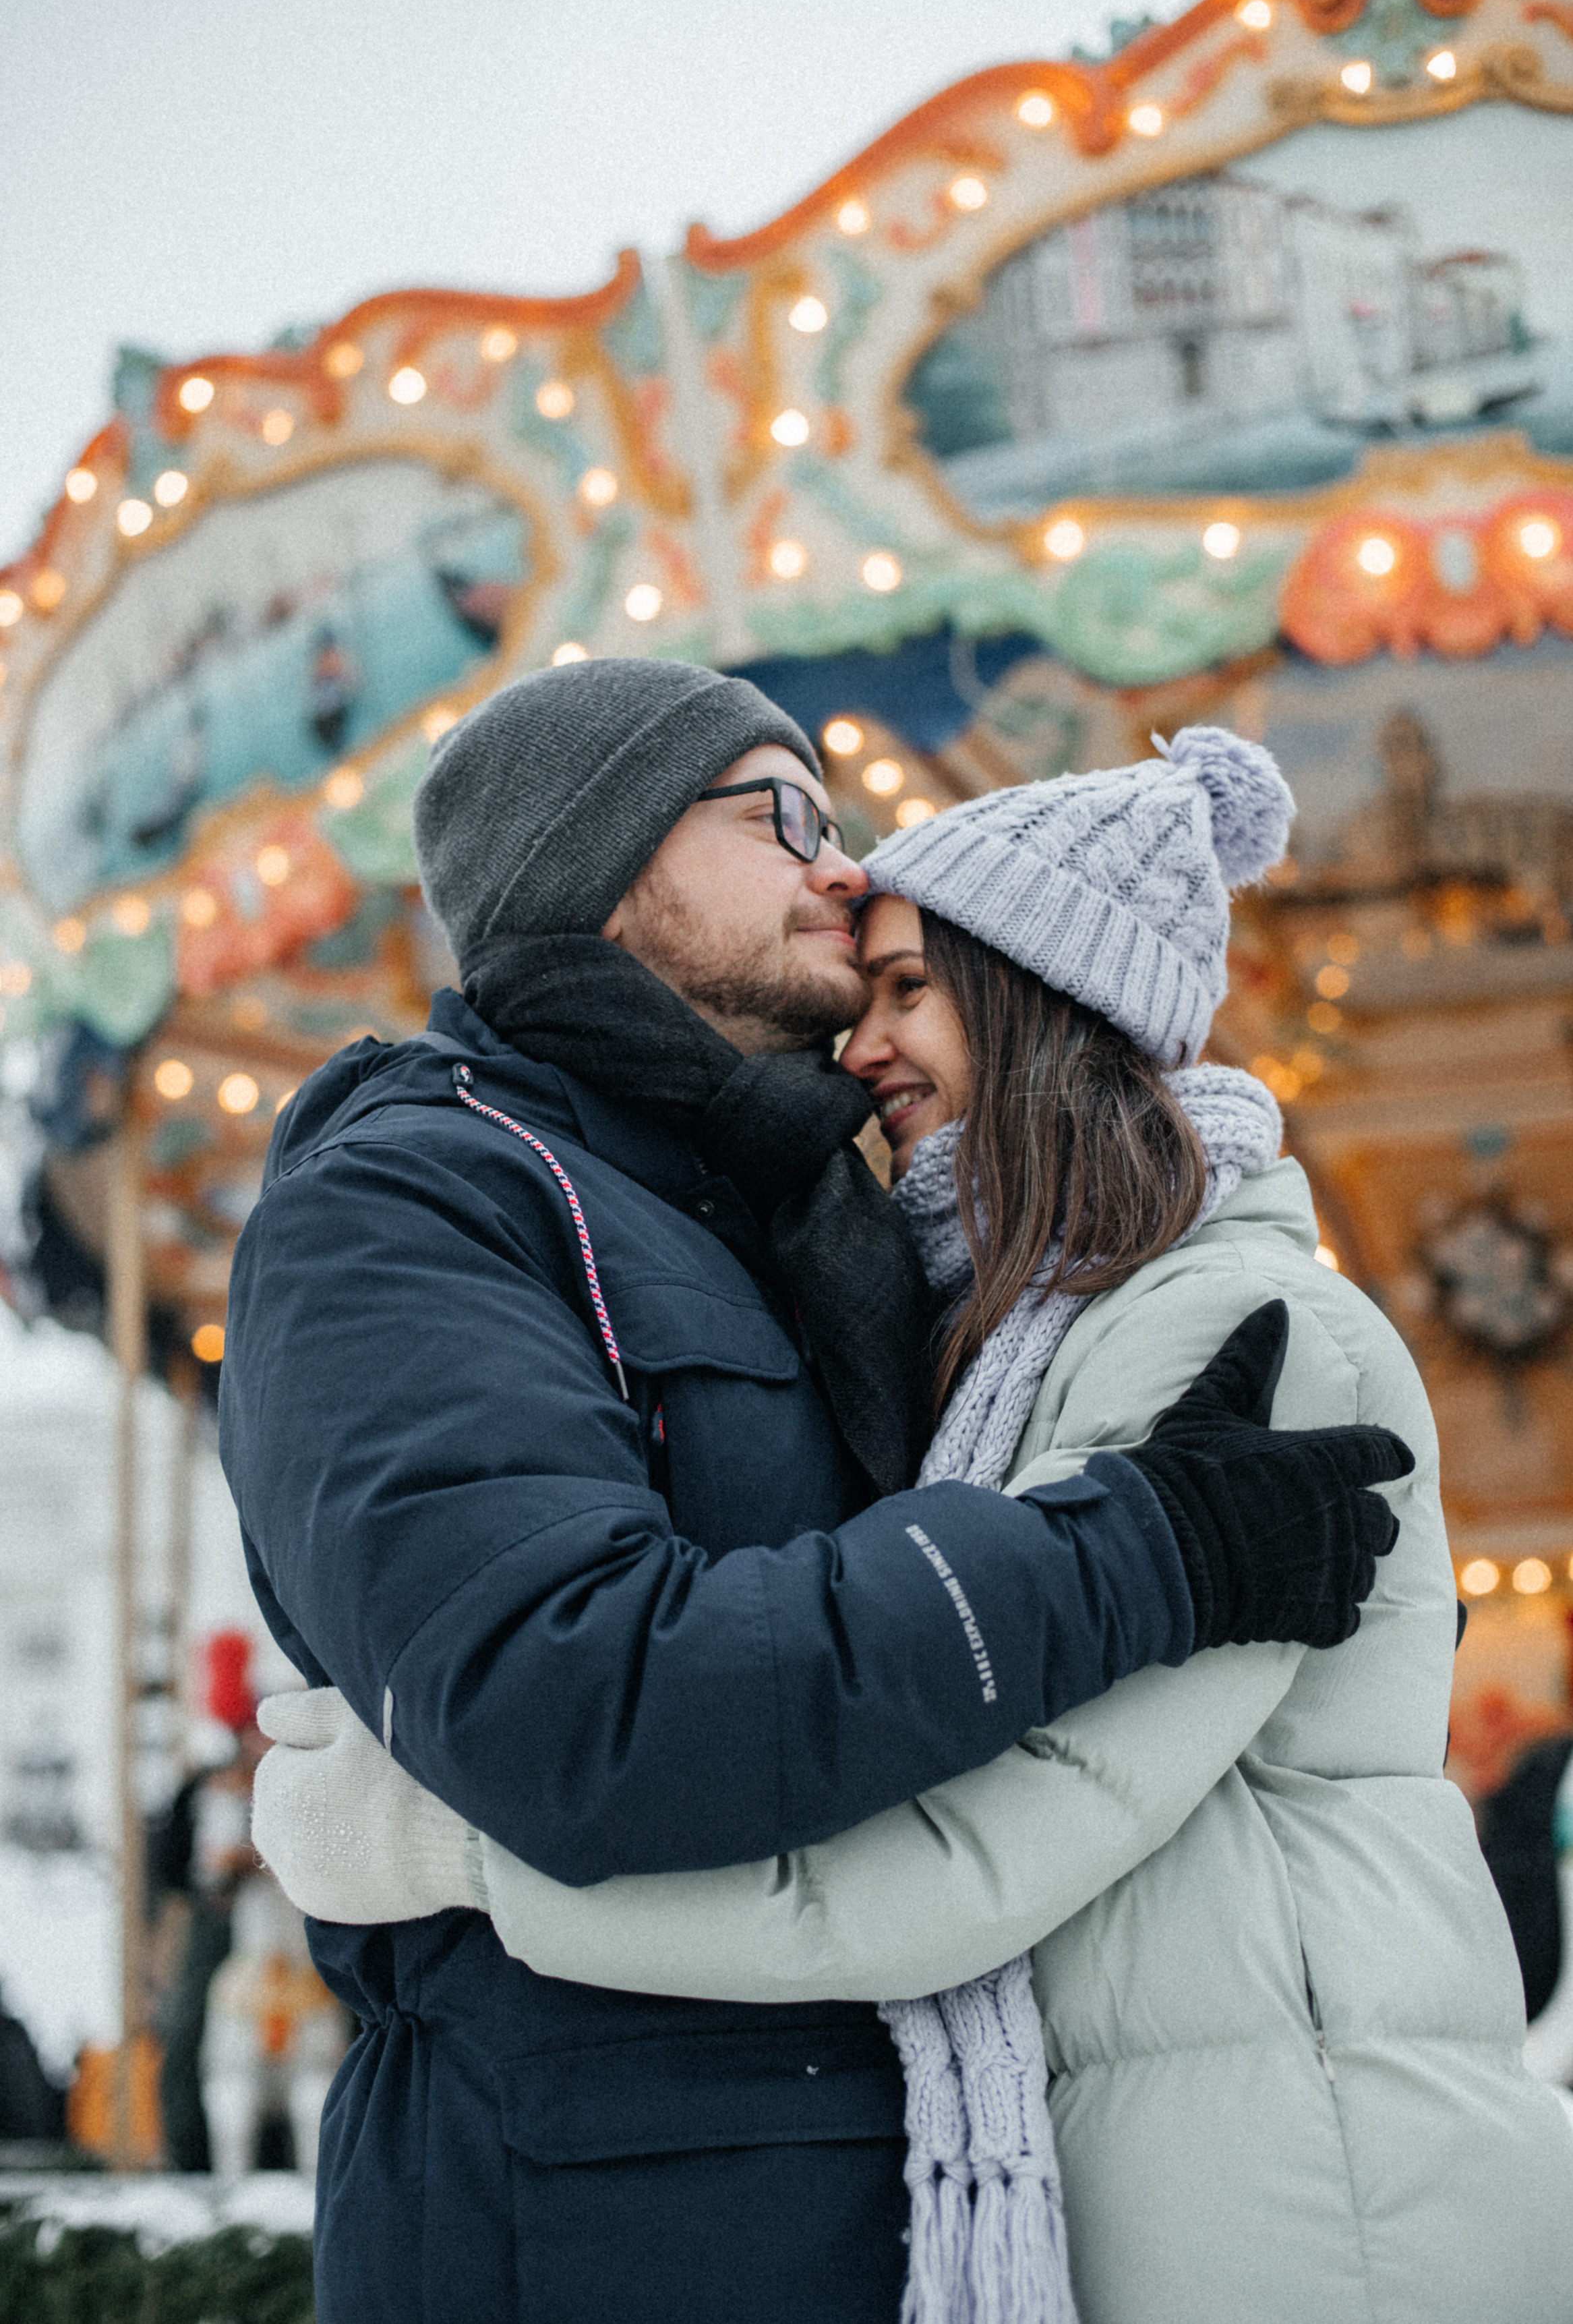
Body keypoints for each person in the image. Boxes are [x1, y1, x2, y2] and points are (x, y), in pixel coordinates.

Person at [225, 662, 1406, 2324]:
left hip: (882, 2198)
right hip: (596, 2222)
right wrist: (1134, 1552)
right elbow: (582, 1697)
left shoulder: (794, 1225)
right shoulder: (415, 1202)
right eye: (783, 814)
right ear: (599, 856)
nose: (841, 868)